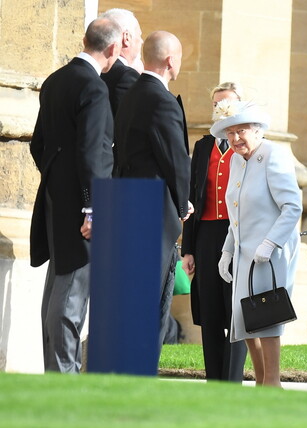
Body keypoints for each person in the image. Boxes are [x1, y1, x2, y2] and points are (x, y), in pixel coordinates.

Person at [29, 17, 122, 373]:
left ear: (85, 40)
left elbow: (39, 146)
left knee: (58, 286)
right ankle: (62, 379)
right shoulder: (94, 88)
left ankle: (55, 376)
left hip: (55, 198)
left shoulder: (55, 80)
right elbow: (92, 154)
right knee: (70, 294)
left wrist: (60, 184)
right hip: (83, 207)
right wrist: (92, 207)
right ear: (113, 49)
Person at [211, 101, 302, 387]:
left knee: (267, 316)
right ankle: (261, 380)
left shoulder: (273, 155)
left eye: (241, 131)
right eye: (230, 133)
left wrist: (270, 243)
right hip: (243, 253)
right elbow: (235, 211)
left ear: (257, 130)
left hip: (270, 253)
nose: (235, 138)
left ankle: (272, 382)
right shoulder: (237, 160)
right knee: (245, 316)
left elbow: (292, 206)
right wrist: (227, 250)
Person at [114, 31, 192, 358]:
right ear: (170, 60)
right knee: (153, 297)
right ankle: (142, 364)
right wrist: (183, 200)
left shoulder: (130, 94)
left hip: (126, 202)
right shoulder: (161, 100)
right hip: (152, 210)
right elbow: (175, 158)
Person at [181, 82, 248, 381]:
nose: (221, 110)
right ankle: (214, 380)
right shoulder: (203, 145)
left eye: (227, 104)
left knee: (234, 307)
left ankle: (231, 379)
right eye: (217, 105)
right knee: (209, 310)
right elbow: (194, 195)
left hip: (237, 234)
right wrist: (188, 248)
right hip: (207, 233)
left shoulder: (247, 145)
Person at [99, 8, 144, 118]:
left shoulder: (94, 67)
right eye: (139, 35)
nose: (142, 41)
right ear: (126, 38)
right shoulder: (126, 76)